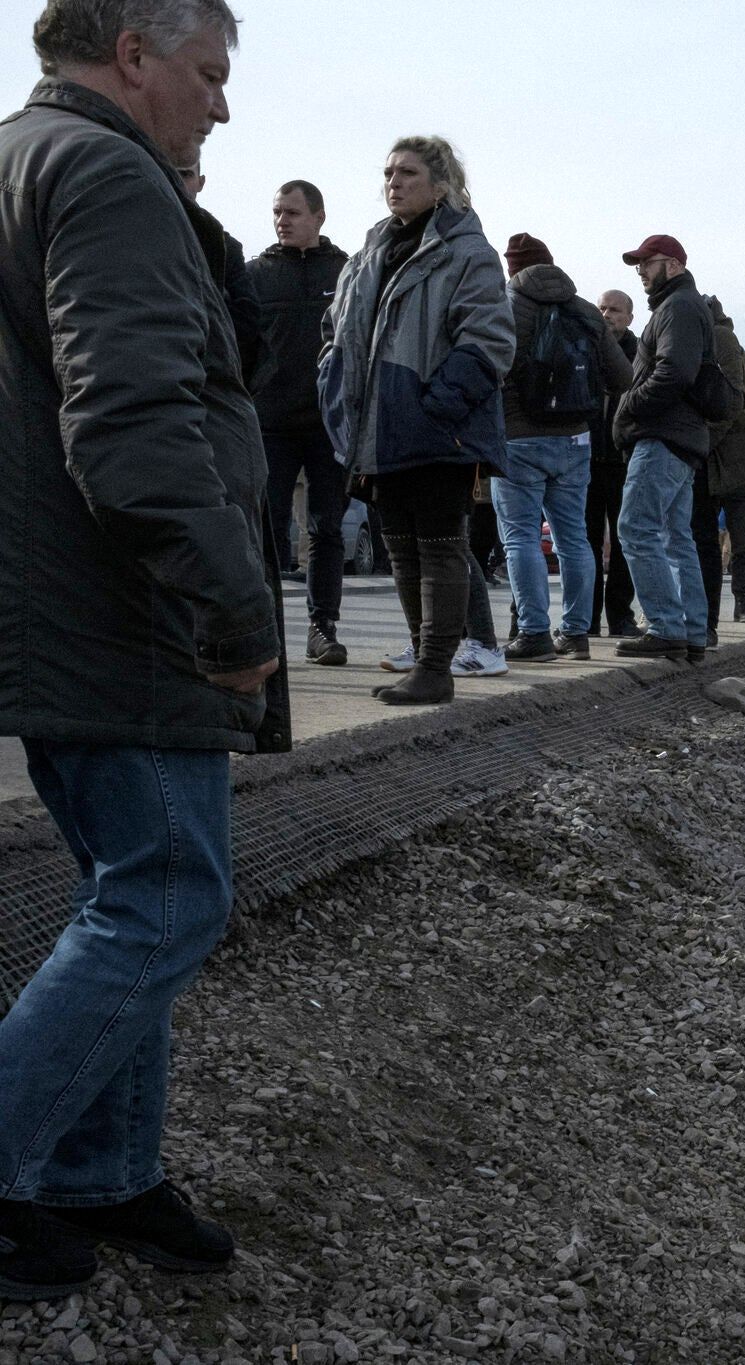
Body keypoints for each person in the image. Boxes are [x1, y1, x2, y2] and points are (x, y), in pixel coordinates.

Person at [1, 0, 287, 1299]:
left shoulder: (22, 152)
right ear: (135, 56)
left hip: (64, 600)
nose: (221, 104)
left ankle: (100, 1172)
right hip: (124, 613)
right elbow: (129, 425)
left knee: (130, 886)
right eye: (210, 73)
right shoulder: (108, 171)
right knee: (169, 896)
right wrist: (235, 609)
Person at [320, 136, 513, 705]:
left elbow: (490, 339)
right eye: (387, 172)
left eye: (406, 172)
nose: (393, 182)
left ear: (441, 184)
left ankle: (436, 668)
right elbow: (337, 330)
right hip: (379, 427)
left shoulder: (466, 250)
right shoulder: (372, 249)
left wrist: (436, 407)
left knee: (439, 545)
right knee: (401, 546)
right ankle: (422, 663)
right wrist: (333, 380)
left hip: (432, 426)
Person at [495, 233, 632, 663]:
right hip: (575, 439)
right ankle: (575, 633)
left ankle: (533, 633)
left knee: (520, 538)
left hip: (518, 438)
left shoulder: (504, 305)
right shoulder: (586, 311)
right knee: (576, 539)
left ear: (512, 268)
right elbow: (624, 378)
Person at [248, 178, 352, 665]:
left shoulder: (348, 272)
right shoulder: (256, 275)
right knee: (265, 531)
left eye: (291, 212)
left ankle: (322, 628)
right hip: (269, 423)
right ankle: (264, 632)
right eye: (277, 212)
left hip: (330, 425)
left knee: (326, 529)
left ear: (319, 216)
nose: (281, 220)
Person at [612, 233, 714, 662]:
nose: (640, 270)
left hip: (663, 436)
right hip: (680, 438)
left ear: (672, 265)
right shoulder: (681, 306)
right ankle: (690, 630)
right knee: (676, 539)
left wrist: (628, 406)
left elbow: (674, 372)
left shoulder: (679, 307)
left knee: (635, 528)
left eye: (647, 262)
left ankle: (666, 626)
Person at [694, 296, 745, 642]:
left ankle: (741, 602)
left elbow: (743, 410)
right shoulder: (730, 349)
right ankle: (736, 605)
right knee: (722, 540)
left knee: (734, 541)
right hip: (723, 459)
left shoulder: (722, 346)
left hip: (729, 458)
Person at [175, 155, 265, 389]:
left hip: (210, 381)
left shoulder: (223, 246)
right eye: (171, 171)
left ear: (200, 182)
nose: (177, 181)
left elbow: (246, 318)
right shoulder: (133, 236)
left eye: (185, 174)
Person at [587, 289, 641, 635]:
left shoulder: (640, 355)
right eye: (603, 308)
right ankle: (586, 620)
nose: (608, 314)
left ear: (629, 317)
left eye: (615, 310)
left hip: (624, 459)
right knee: (586, 540)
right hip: (587, 458)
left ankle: (620, 616)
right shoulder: (586, 348)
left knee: (625, 540)